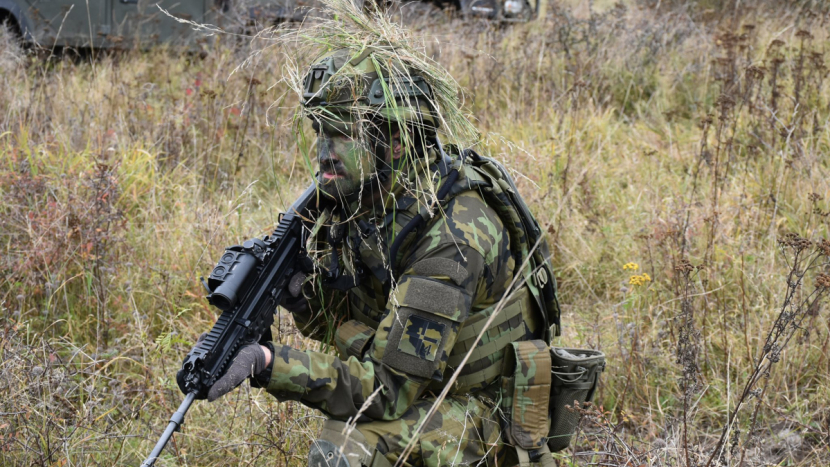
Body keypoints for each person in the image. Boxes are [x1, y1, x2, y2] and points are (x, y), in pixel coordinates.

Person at [190, 43, 561, 467]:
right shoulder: (367, 198)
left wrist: (267, 363)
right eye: (320, 131)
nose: (324, 151)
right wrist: (308, 300)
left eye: (343, 133)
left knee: (349, 445)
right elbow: (363, 319)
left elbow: (386, 389)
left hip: (487, 412)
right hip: (424, 383)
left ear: (397, 141)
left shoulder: (453, 240)